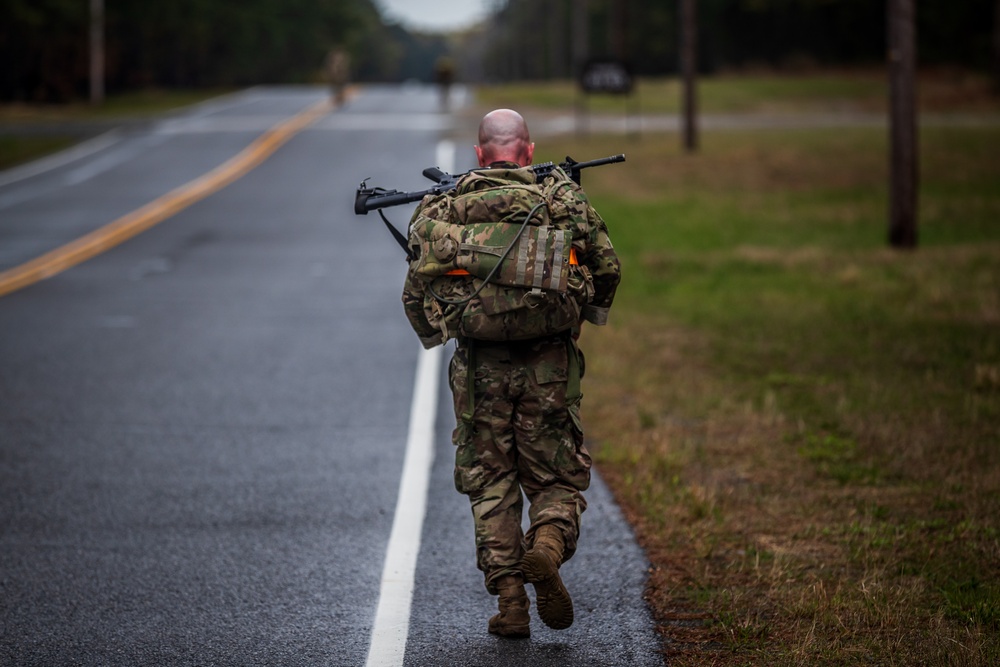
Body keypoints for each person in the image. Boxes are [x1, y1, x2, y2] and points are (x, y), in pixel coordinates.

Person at [401, 109, 620, 637]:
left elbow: (415, 284)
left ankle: (511, 603)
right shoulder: (562, 197)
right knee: (557, 475)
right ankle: (546, 545)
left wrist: (436, 335)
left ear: (480, 155)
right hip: (550, 364)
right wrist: (584, 318)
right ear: (528, 150)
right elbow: (608, 267)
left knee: (490, 480)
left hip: (478, 370)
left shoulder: (444, 205)